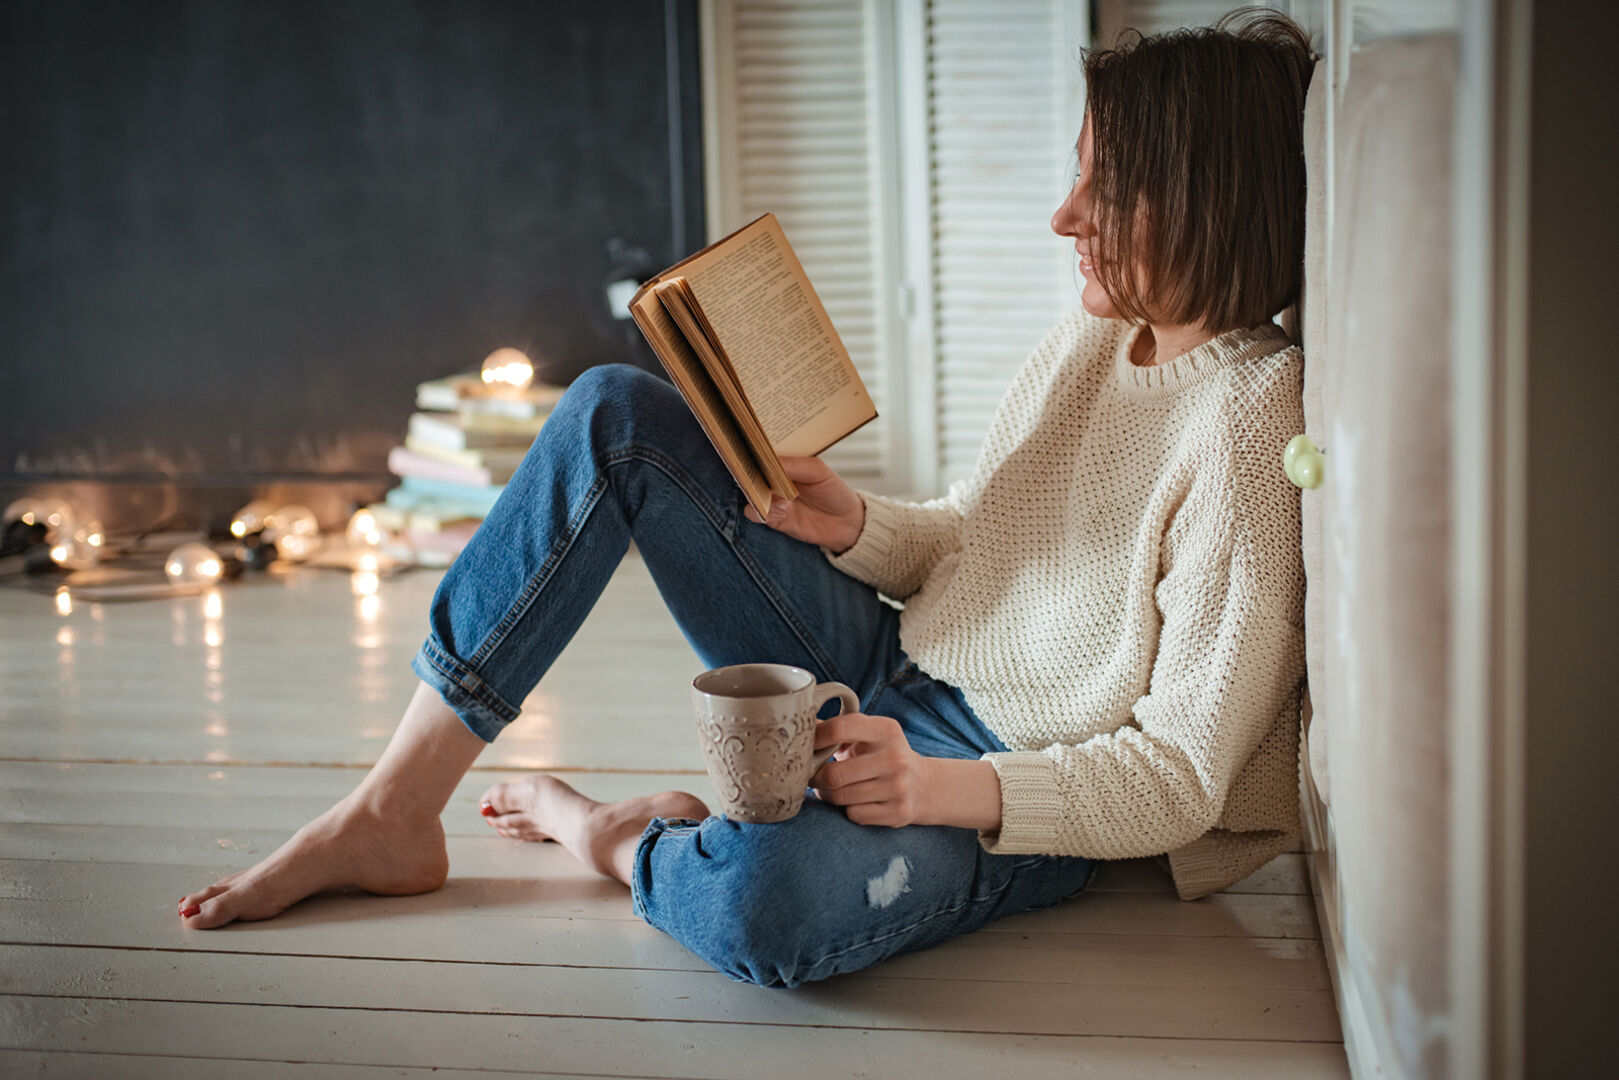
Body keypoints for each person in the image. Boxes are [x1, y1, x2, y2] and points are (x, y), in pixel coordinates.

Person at [178, 12, 1315, 989]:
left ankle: (615, 835)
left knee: (762, 910)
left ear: (1208, 200)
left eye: (1103, 189)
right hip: (890, 662)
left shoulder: (1249, 422)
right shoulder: (1101, 332)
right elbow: (985, 535)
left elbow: (1176, 778)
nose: (1063, 217)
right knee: (615, 410)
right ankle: (392, 810)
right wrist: (854, 523)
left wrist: (935, 785)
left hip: (1014, 789)